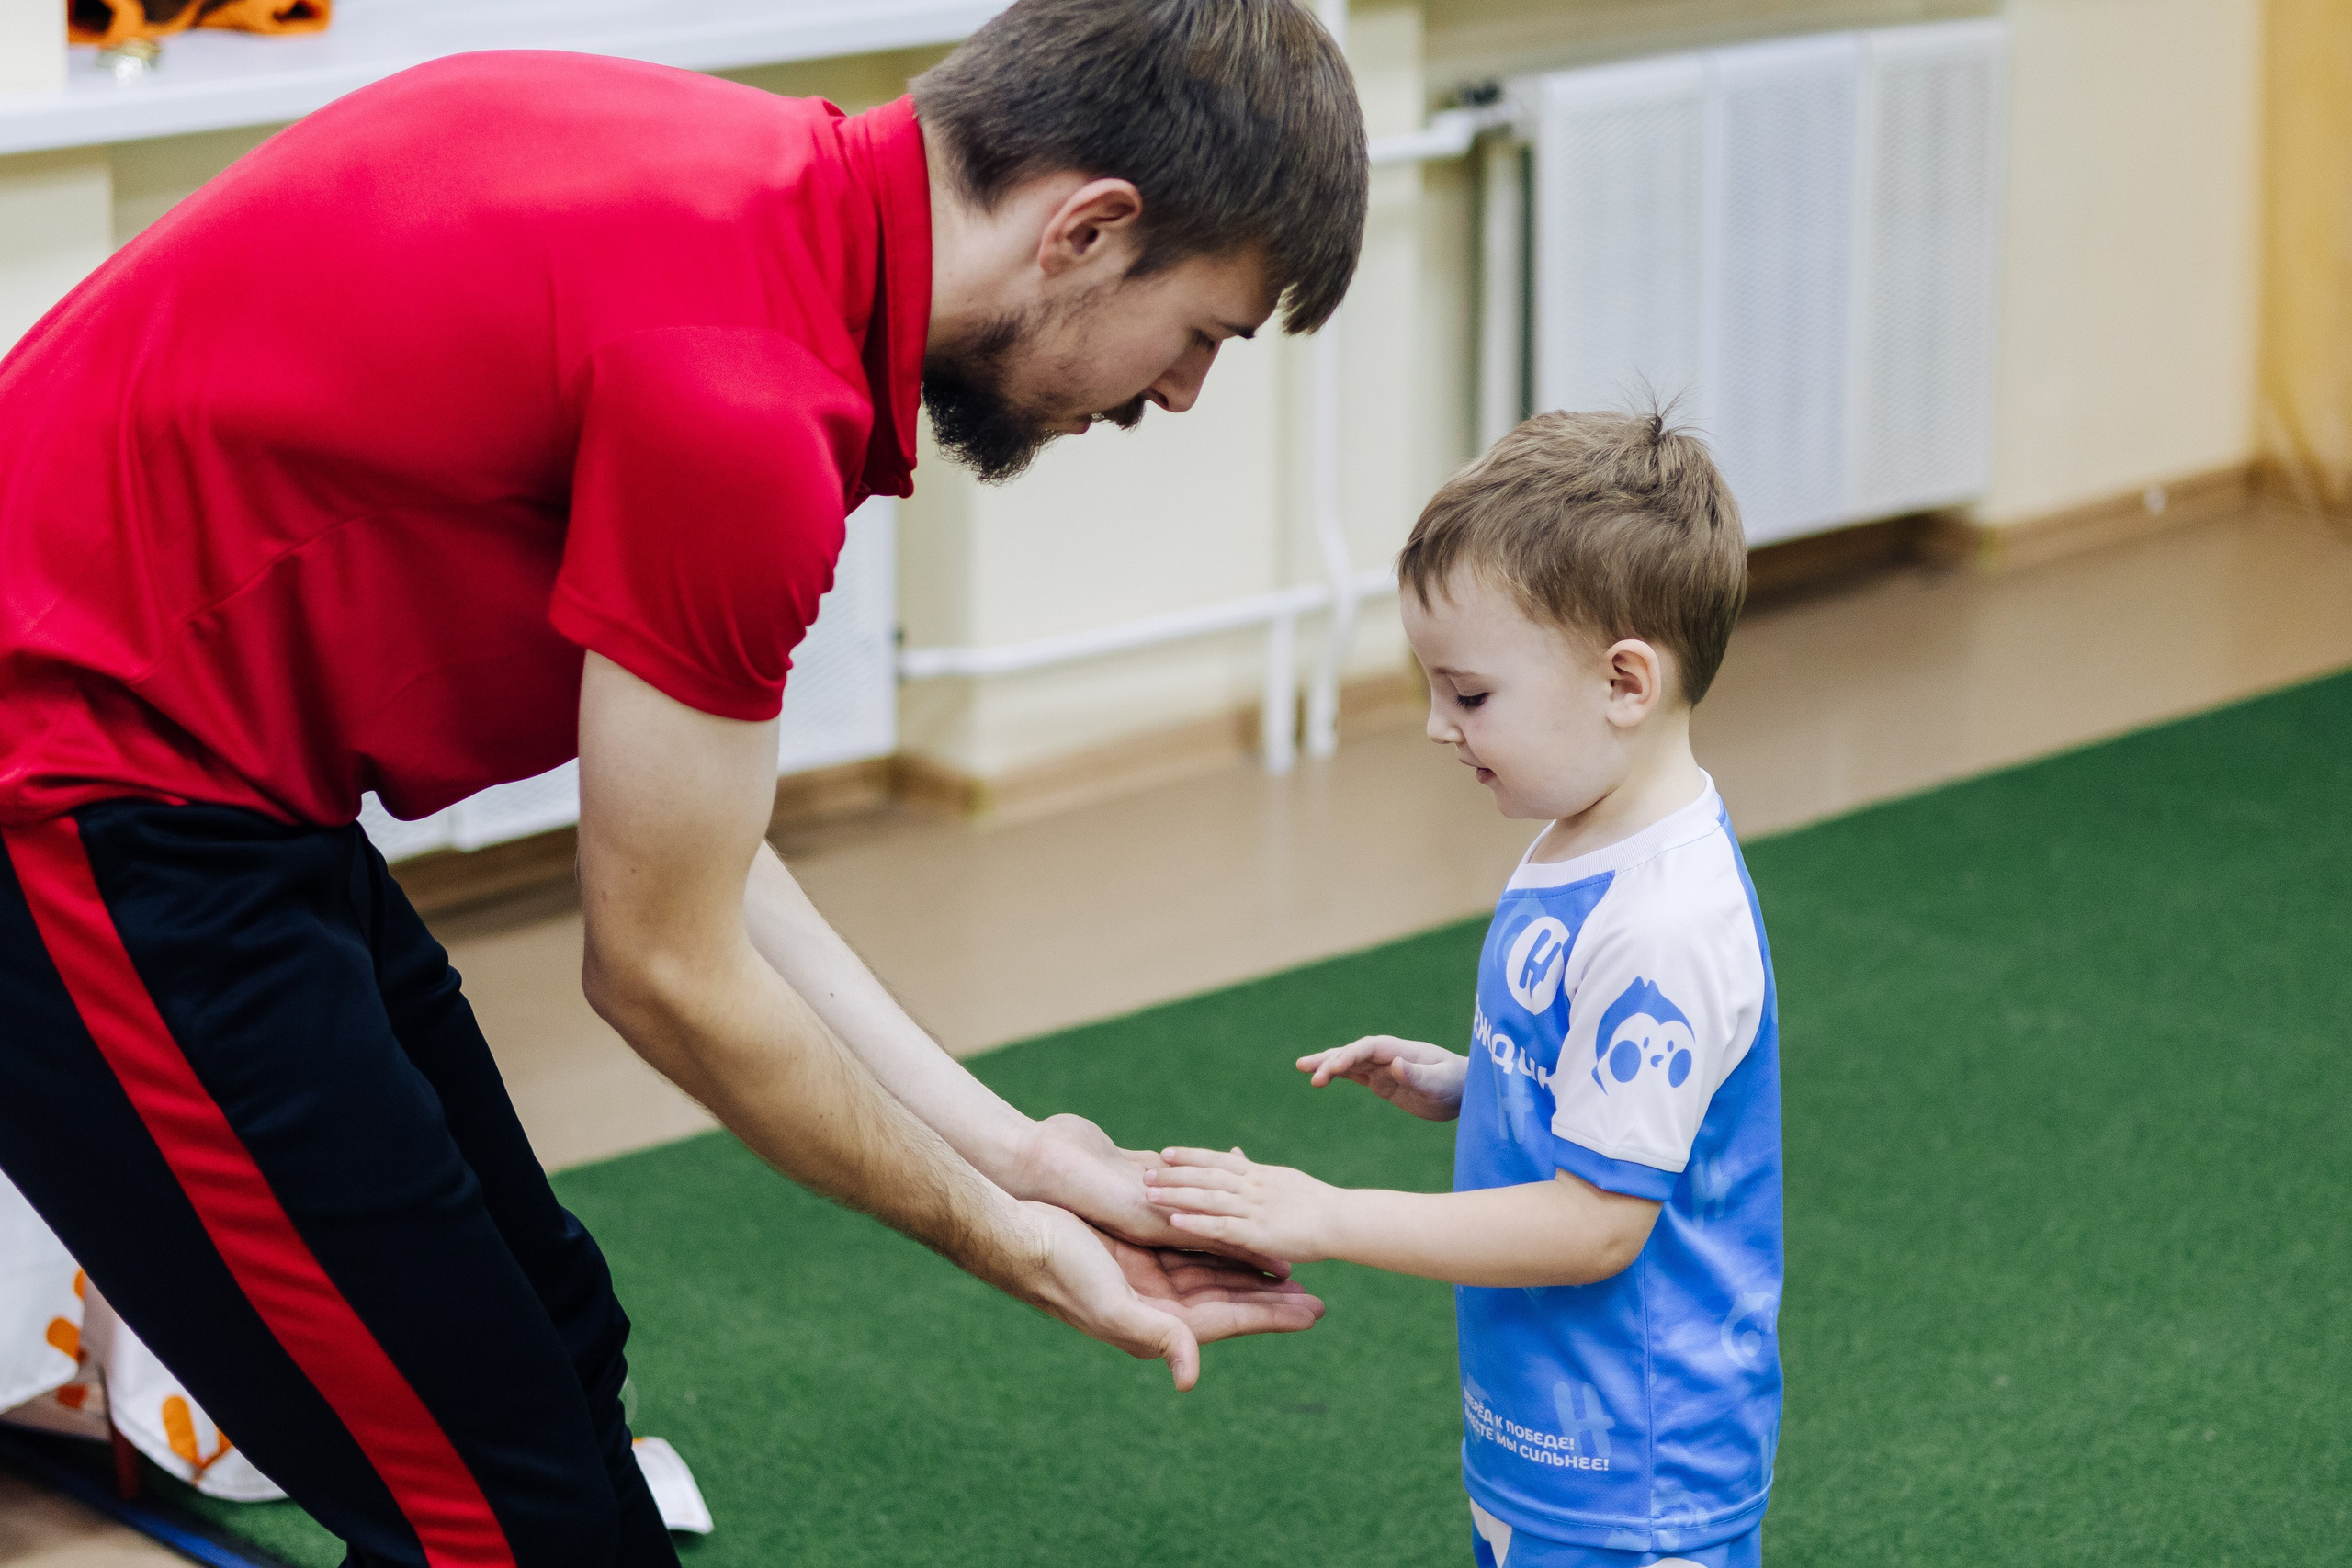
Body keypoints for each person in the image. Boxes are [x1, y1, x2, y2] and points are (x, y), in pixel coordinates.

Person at [0, 3, 1366, 1564]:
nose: (1182, 392)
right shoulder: (742, 394)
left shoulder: (755, 193)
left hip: (194, 777)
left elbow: (700, 851)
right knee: (498, 1509)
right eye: (1200, 334)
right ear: (1088, 228)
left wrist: (1021, 1153)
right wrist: (1023, 1247)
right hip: (70, 799)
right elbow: (664, 972)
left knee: (546, 1334)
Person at [1148, 410, 1782, 1568]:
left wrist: (1326, 1214)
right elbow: (1597, 1082)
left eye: (1471, 695)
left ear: (1624, 682)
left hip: (1633, 1471)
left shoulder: (1663, 924)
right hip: (1545, 1425)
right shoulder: (1586, 830)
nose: (1439, 727)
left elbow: (1596, 1226)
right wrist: (1472, 1079)